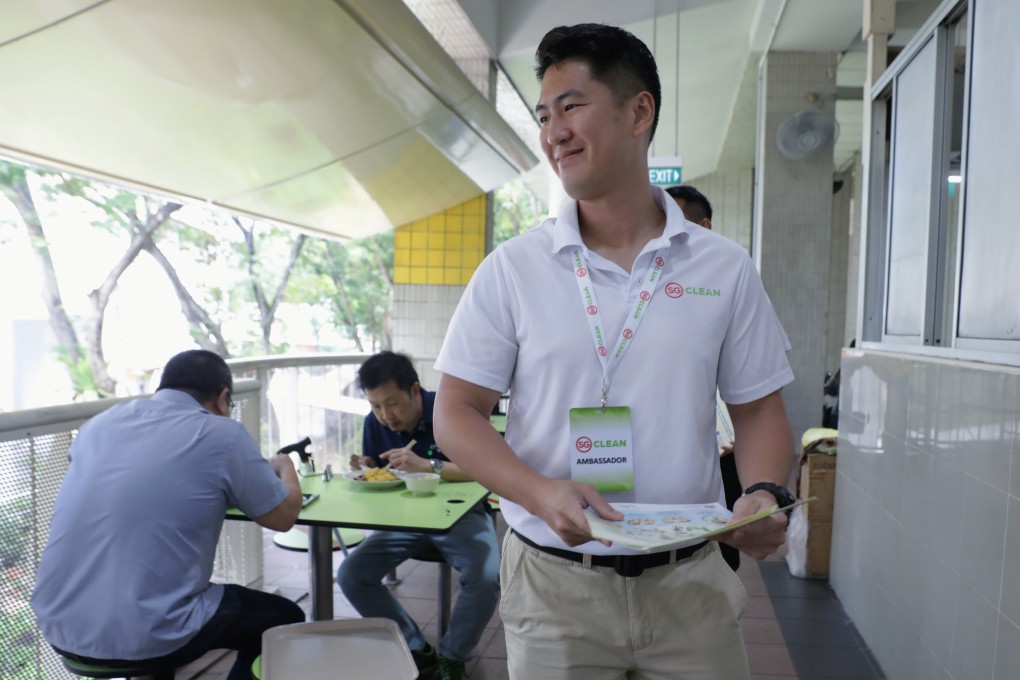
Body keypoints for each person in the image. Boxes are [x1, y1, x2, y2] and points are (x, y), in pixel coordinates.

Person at [433, 23, 796, 679]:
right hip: (554, 586)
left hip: (690, 584)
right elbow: (455, 411)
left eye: (572, 106)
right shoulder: (514, 269)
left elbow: (760, 411)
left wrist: (764, 491)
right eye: (545, 116)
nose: (554, 132)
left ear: (639, 111)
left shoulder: (724, 267)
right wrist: (540, 493)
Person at [30, 349, 304, 680]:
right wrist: (286, 466)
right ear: (223, 398)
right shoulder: (222, 433)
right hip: (148, 631)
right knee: (283, 618)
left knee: (153, 611)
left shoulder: (98, 425)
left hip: (58, 624)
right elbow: (283, 517)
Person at [337, 351, 499, 680]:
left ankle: (453, 657)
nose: (385, 415)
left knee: (486, 577)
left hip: (460, 514)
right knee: (352, 575)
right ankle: (415, 647)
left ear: (414, 390)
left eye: (392, 403)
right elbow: (381, 469)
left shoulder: (452, 413)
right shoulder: (374, 423)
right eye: (375, 406)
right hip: (405, 516)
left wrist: (430, 466)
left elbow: (486, 468)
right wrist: (368, 467)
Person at [666, 183, 742, 571]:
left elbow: (752, 391)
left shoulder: (728, 279)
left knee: (722, 549)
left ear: (705, 227)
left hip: (721, 447)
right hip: (658, 450)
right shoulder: (647, 285)